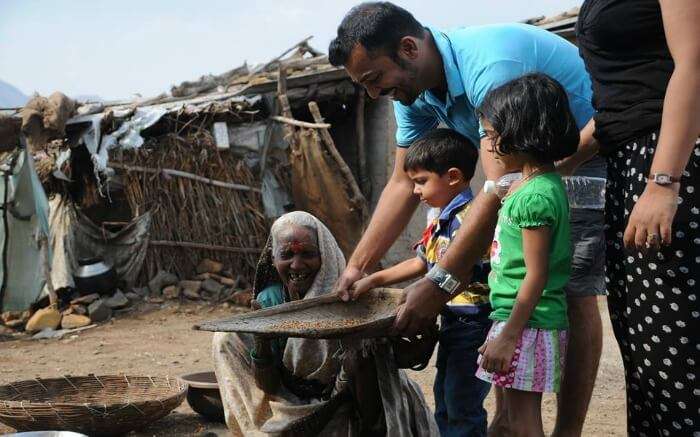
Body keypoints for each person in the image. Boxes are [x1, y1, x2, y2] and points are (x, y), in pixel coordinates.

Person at [328, 3, 604, 435]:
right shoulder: (415, 92)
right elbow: (402, 184)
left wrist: (439, 284)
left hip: (581, 154)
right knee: (507, 278)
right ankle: (507, 423)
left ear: (408, 49)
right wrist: (357, 266)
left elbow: (499, 188)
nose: (374, 94)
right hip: (518, 177)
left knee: (569, 288)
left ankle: (566, 430)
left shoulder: (490, 66)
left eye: (374, 79)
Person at [576, 1, 700, 435]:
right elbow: (619, 104)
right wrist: (554, 165)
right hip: (630, 168)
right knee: (646, 354)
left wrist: (665, 181)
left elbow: (695, 62)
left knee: (677, 350)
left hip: (674, 163)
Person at [212, 211, 438, 436]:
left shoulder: (348, 295)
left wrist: (413, 347)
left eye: (307, 254)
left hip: (347, 402)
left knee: (361, 352)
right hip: (291, 401)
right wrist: (261, 341)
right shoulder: (270, 301)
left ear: (325, 255)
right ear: (272, 258)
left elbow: (384, 361)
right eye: (287, 254)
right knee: (226, 339)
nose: (297, 265)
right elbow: (268, 386)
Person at [351, 129, 491, 436]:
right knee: (444, 396)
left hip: (474, 325)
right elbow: (421, 263)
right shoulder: (438, 219)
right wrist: (372, 278)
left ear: (453, 177)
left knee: (461, 403)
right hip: (454, 321)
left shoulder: (471, 220)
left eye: (421, 181)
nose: (415, 191)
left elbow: (470, 272)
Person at [474, 73, 578, 437]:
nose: (487, 143)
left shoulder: (533, 197)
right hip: (523, 320)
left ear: (519, 133)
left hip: (526, 323)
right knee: (515, 418)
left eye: (490, 134)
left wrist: (508, 335)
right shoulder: (536, 185)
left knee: (522, 422)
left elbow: (536, 274)